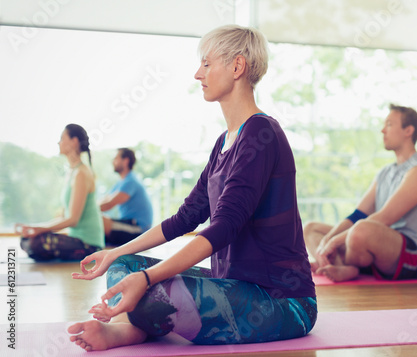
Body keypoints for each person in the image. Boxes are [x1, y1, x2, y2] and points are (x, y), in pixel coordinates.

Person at [68, 25, 316, 352]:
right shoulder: (224, 142)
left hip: (281, 300)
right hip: (230, 285)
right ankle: (131, 326)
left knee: (153, 292)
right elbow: (185, 218)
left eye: (207, 64)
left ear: (237, 67)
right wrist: (115, 252)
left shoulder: (260, 133)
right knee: (123, 267)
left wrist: (147, 280)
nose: (198, 74)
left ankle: (129, 328)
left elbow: (224, 225)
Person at [304, 104, 417, 282]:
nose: (382, 130)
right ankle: (343, 267)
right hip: (379, 246)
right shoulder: (385, 172)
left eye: (389, 124)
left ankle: (343, 265)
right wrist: (327, 240)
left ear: (408, 130)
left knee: (360, 231)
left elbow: (385, 218)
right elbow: (358, 214)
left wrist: (334, 242)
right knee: (311, 229)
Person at [16, 124, 104, 261]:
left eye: (62, 138)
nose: (59, 142)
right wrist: (36, 228)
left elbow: (73, 220)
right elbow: (63, 216)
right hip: (75, 238)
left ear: (74, 142)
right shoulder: (72, 172)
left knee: (35, 242)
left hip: (89, 245)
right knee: (27, 238)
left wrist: (41, 229)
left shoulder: (82, 173)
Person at [100, 148, 153, 246]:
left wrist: (85, 211)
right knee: (99, 220)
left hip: (138, 229)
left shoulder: (130, 181)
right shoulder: (121, 182)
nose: (113, 161)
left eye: (116, 158)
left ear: (126, 161)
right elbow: (105, 200)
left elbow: (108, 205)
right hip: (128, 223)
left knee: (100, 220)